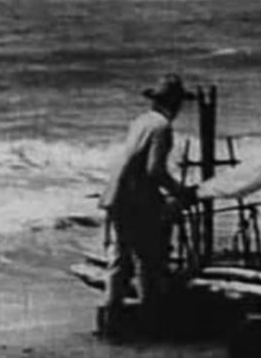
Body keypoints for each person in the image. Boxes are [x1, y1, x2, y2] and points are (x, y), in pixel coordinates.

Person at [98, 74, 198, 332]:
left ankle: (111, 318)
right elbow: (154, 171)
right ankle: (150, 319)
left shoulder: (141, 121)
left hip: (118, 194)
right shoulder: (162, 127)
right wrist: (181, 191)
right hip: (135, 200)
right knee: (148, 260)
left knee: (119, 259)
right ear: (174, 104)